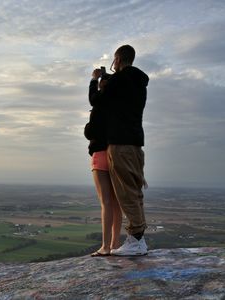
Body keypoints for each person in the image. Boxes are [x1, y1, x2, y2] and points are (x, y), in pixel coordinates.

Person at [90, 44, 149, 256]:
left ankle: (135, 241)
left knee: (125, 194)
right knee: (135, 192)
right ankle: (138, 239)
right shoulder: (139, 82)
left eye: (115, 61)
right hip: (135, 144)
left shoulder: (119, 81)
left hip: (120, 144)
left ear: (118, 59)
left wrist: (97, 80)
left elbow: (96, 101)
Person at [84, 73, 122, 257]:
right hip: (116, 154)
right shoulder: (118, 106)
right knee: (116, 204)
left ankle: (105, 247)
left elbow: (90, 130)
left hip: (99, 153)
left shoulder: (99, 104)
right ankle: (115, 244)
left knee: (105, 202)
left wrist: (94, 81)